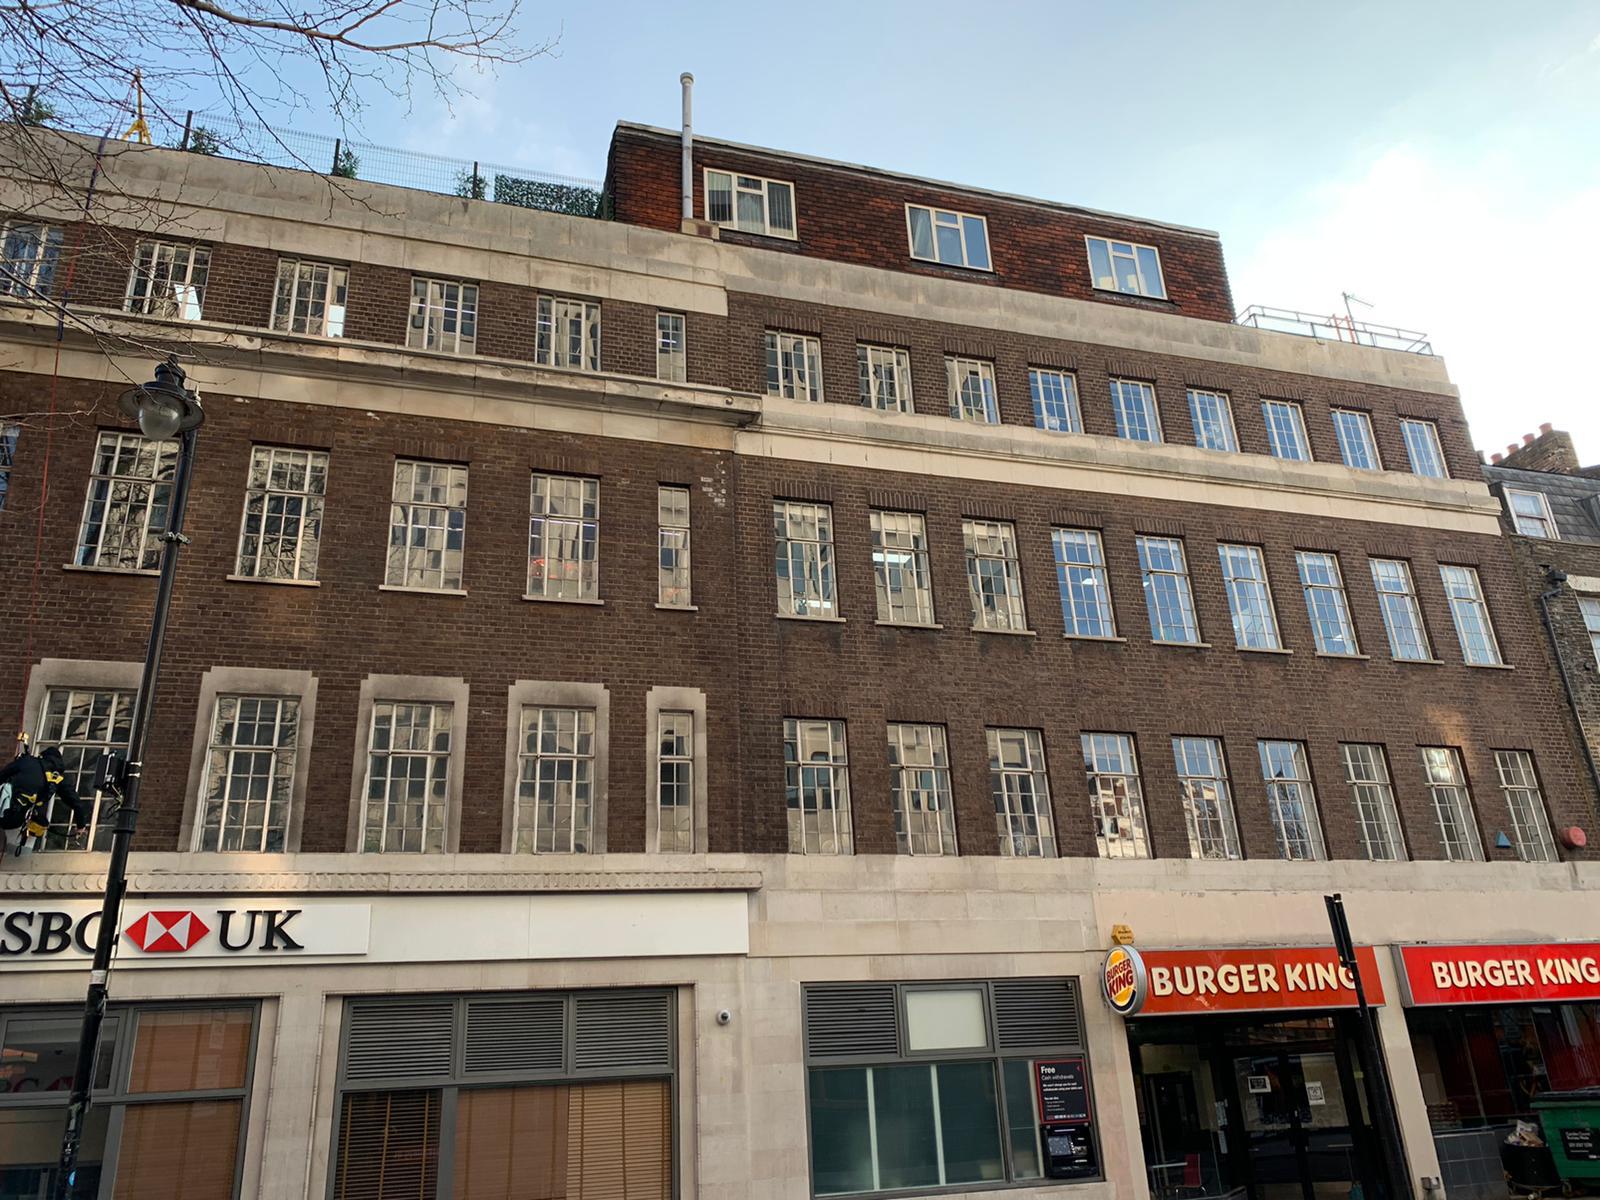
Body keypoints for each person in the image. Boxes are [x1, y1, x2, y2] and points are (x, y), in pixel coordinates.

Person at [0, 746, 90, 852]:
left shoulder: (27, 761)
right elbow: (76, 803)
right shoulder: (58, 778)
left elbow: (3, 774)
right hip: (15, 818)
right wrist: (81, 825)